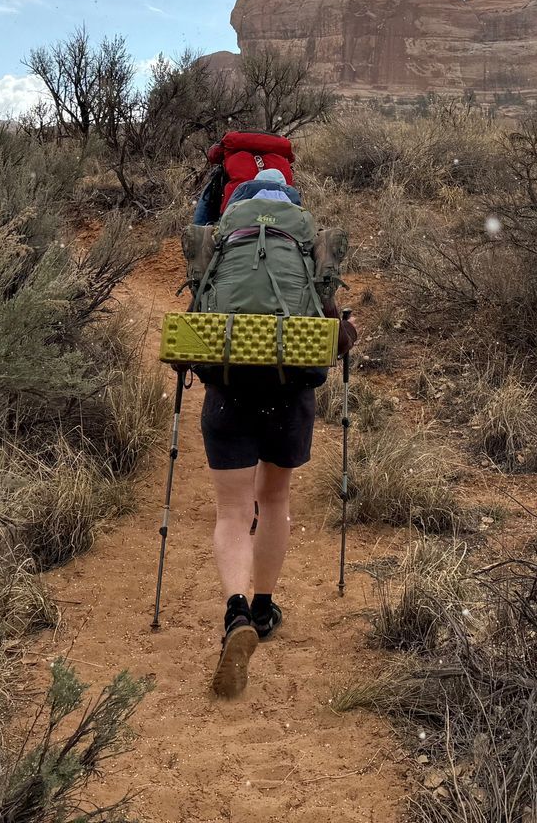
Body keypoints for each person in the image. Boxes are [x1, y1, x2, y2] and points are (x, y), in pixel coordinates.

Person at [195, 180, 355, 699]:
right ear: (293, 206)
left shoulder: (221, 240)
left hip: (228, 386)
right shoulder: (306, 241)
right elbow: (334, 330)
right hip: (288, 390)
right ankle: (263, 608)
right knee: (275, 499)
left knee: (232, 511)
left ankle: (235, 611)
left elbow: (197, 318)